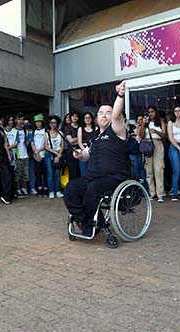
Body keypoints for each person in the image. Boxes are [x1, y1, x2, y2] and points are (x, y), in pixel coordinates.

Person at [64, 80, 131, 236]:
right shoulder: (94, 137)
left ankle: (91, 225)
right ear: (96, 118)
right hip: (92, 176)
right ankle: (88, 221)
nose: (104, 116)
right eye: (101, 113)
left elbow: (116, 116)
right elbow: (86, 156)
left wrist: (120, 95)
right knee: (71, 189)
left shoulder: (117, 130)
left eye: (108, 112)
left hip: (114, 177)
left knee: (92, 189)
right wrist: (79, 155)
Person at [143, 106, 166, 203]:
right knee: (149, 170)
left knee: (158, 169)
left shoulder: (160, 122)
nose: (150, 114)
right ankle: (152, 193)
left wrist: (156, 131)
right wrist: (143, 125)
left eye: (152, 112)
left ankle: (160, 194)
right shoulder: (146, 123)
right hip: (147, 144)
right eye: (149, 112)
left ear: (156, 112)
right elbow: (141, 135)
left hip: (157, 143)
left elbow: (165, 136)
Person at [44, 115, 65, 199]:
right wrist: (56, 154)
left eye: (55, 122)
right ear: (49, 123)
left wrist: (59, 154)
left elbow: (62, 145)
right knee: (50, 173)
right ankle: (51, 191)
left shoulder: (60, 133)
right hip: (49, 154)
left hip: (58, 154)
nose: (53, 124)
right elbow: (46, 146)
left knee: (57, 174)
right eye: (52, 122)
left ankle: (58, 191)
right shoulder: (46, 133)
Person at [77, 112, 97, 177]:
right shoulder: (80, 129)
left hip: (93, 151)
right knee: (83, 172)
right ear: (83, 119)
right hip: (83, 151)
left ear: (92, 119)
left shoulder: (96, 128)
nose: (87, 119)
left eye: (89, 117)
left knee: (92, 172)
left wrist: (90, 150)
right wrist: (85, 151)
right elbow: (79, 142)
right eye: (86, 118)